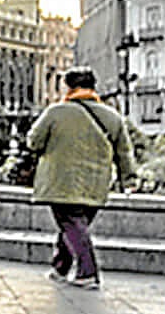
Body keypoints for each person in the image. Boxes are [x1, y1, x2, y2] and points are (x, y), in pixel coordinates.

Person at [26, 67, 138, 291]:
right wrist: (129, 180)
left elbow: (34, 142)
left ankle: (88, 272)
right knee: (75, 224)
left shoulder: (55, 112)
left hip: (61, 180)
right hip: (96, 182)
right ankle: (60, 267)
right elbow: (124, 152)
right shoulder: (113, 117)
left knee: (71, 223)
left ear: (68, 87)